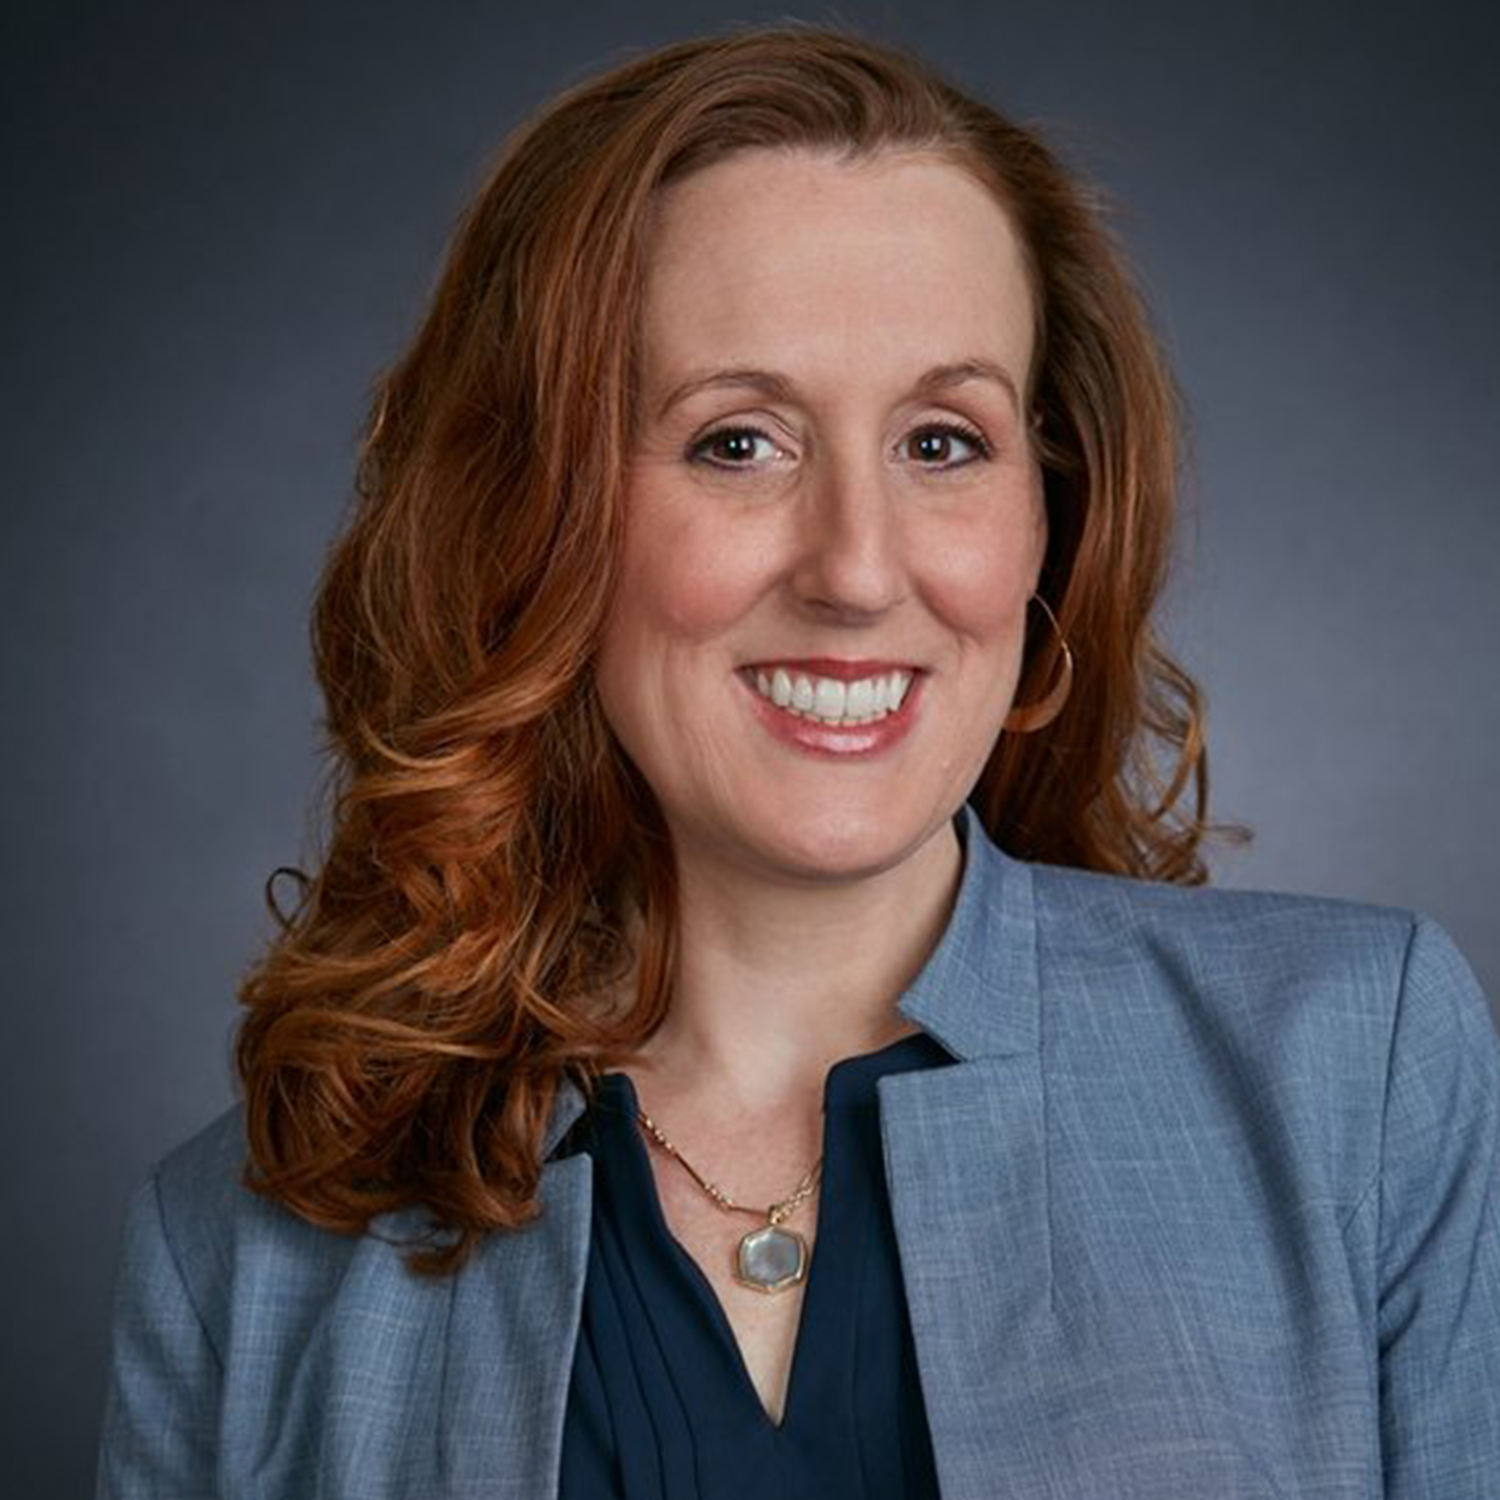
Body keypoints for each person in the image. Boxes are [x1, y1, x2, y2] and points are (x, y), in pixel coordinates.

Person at [96, 24, 1500, 1500]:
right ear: (535, 520)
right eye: (739, 443)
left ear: (1051, 519)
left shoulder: (1360, 1070)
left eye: (943, 443)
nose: (855, 569)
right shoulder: (238, 1260)